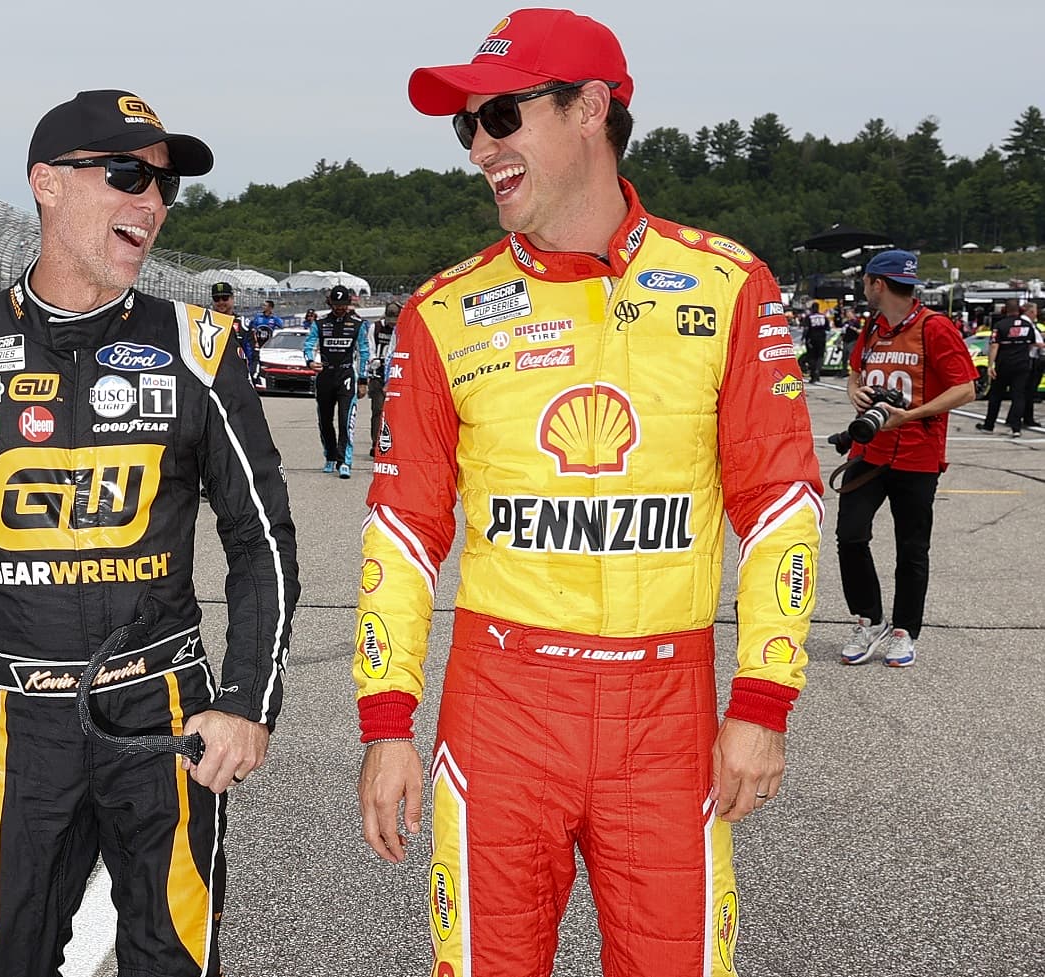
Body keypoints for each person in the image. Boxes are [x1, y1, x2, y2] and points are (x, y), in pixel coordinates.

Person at [352, 11, 824, 976]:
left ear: (592, 110)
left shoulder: (729, 284)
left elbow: (781, 507)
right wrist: (386, 723)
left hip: (669, 710)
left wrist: (764, 701)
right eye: (465, 127)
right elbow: (401, 531)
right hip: (503, 703)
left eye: (499, 115)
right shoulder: (441, 312)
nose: (480, 145)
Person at [0, 88, 300, 977]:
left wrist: (247, 699)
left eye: (164, 186)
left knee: (172, 961)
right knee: (1, 960)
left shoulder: (201, 347)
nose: (152, 202)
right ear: (47, 183)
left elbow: (262, 539)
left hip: (164, 717)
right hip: (18, 718)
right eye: (127, 173)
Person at [837, 249, 975, 669]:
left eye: (865, 281)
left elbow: (966, 389)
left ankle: (904, 631)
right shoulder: (873, 327)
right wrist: (855, 392)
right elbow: (854, 372)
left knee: (911, 548)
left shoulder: (936, 328)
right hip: (869, 449)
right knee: (851, 535)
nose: (863, 288)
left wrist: (910, 415)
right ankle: (868, 618)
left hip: (917, 453)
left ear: (878, 283)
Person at [303, 283, 369, 478]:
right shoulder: (319, 324)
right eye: (336, 303)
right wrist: (309, 361)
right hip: (325, 376)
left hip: (346, 375)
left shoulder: (358, 325)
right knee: (324, 420)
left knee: (345, 419)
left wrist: (363, 380)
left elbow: (364, 352)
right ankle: (330, 455)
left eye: (343, 303)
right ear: (330, 302)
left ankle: (345, 461)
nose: (339, 307)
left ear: (349, 303)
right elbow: (308, 345)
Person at [975, 300, 1042, 437]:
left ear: (1005, 310)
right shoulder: (1027, 326)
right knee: (1018, 396)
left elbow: (994, 346)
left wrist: (990, 365)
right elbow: (1033, 344)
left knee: (996, 395)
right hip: (1022, 365)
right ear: (1020, 311)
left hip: (1004, 364)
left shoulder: (1000, 325)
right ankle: (1016, 428)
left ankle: (989, 425)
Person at [367, 301, 400, 456]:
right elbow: (369, 348)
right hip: (378, 375)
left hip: (397, 374)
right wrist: (374, 361)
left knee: (397, 412)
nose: (392, 325)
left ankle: (393, 443)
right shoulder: (376, 327)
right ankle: (376, 443)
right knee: (378, 410)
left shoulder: (403, 330)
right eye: (390, 321)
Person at [211, 279, 258, 382]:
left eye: (225, 298)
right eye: (216, 299)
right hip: (212, 379)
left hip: (237, 380)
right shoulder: (205, 322)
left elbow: (253, 355)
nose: (221, 302)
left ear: (232, 299)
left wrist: (249, 379)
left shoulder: (244, 324)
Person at [1023, 301, 1042, 428]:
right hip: (1030, 360)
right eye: (1035, 312)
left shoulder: (1031, 325)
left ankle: (1021, 417)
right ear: (1030, 312)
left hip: (1029, 360)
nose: (1037, 314)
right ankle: (1027, 418)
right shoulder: (1027, 324)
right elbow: (1034, 342)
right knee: (1029, 392)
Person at [801, 301, 830, 382]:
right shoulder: (823, 317)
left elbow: (806, 329)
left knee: (812, 357)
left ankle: (813, 374)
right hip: (822, 338)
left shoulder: (809, 317)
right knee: (820, 356)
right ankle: (818, 371)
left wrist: (803, 338)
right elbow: (828, 328)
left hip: (811, 338)